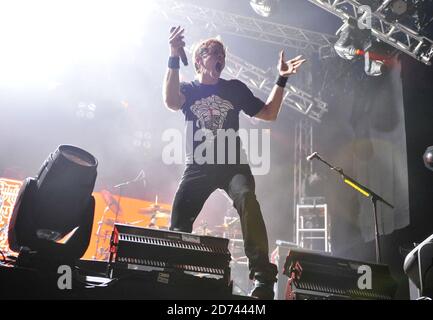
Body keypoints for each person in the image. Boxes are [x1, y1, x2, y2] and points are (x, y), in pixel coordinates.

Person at [162, 26, 305, 299]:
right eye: (215, 53)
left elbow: (269, 113)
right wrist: (171, 55)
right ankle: (175, 271)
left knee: (247, 200)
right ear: (200, 59)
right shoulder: (189, 89)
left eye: (223, 54)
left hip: (232, 165)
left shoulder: (234, 88)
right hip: (199, 165)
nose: (221, 58)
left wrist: (282, 79)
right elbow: (170, 101)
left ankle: (263, 275)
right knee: (180, 218)